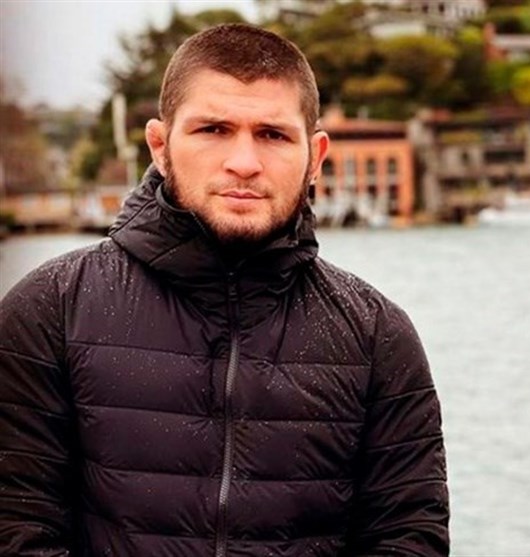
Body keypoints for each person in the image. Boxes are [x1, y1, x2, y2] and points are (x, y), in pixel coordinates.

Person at [0, 24, 448, 556]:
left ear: (315, 157)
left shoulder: (376, 336)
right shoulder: (50, 310)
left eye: (273, 135)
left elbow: (407, 538)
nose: (244, 162)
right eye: (213, 129)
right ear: (161, 146)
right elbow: (16, 528)